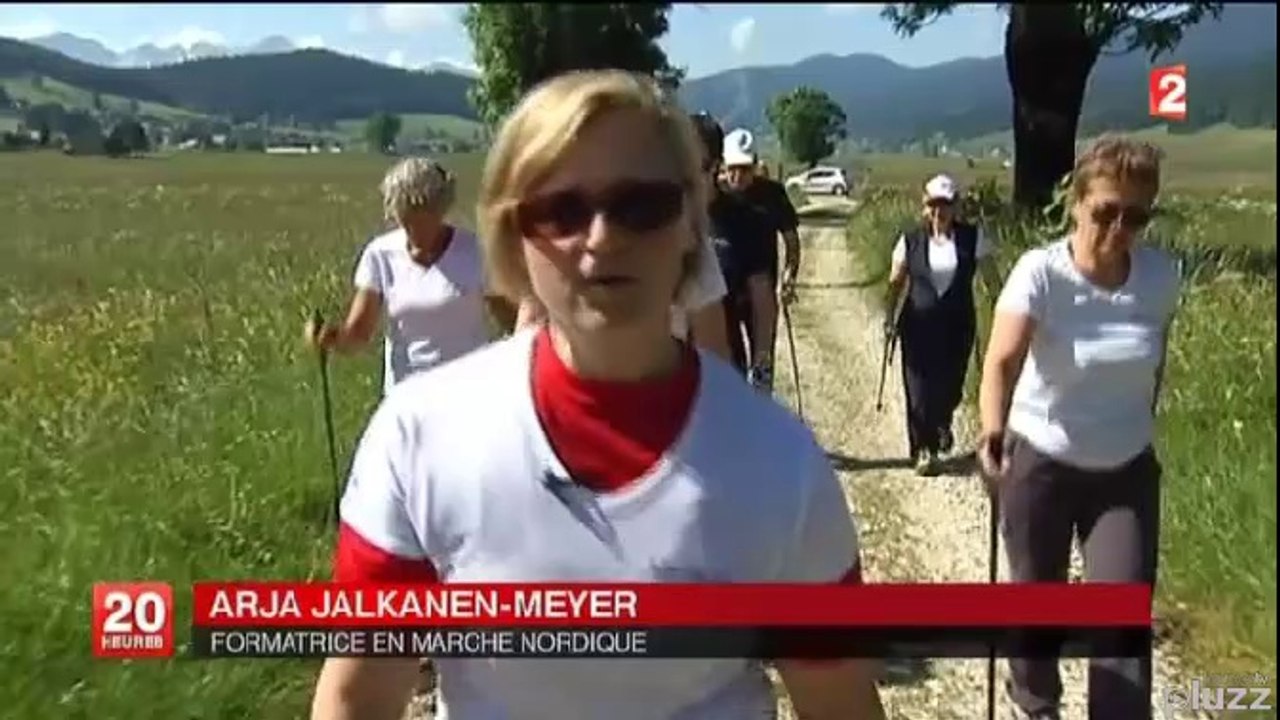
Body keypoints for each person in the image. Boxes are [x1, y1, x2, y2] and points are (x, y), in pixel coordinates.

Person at [310, 68, 885, 720]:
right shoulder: (416, 438)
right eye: (561, 210)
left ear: (691, 227)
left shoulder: (785, 466)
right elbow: (357, 696)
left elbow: (839, 701)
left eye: (642, 206)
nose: (604, 237)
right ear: (510, 238)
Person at [978, 136, 1180, 720]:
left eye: (1137, 216)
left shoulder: (1161, 277)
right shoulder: (1040, 273)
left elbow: (1153, 365)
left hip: (1124, 471)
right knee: (1037, 605)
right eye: (1106, 211)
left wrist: (1138, 425)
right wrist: (994, 431)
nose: (1120, 228)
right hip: (1041, 458)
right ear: (1076, 203)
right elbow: (1001, 362)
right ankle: (1035, 704)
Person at [513, 113, 732, 364]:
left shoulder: (684, 241)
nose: (600, 239)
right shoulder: (547, 239)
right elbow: (527, 329)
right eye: (569, 210)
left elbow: (713, 350)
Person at [306, 157, 514, 394]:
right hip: (405, 397)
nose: (415, 230)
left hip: (467, 393)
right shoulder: (380, 255)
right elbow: (358, 334)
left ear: (440, 209)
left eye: (423, 218)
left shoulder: (475, 253)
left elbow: (511, 321)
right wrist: (330, 337)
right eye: (406, 220)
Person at [884, 174, 998, 476]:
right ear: (925, 207)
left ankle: (942, 420)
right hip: (918, 324)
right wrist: (889, 317)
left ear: (956, 207)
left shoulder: (974, 238)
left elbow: (992, 280)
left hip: (958, 325)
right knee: (918, 388)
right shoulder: (909, 240)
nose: (939, 211)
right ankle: (924, 448)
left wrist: (1001, 314)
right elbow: (895, 283)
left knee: (951, 387)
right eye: (933, 204)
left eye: (945, 205)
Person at [720, 128, 803, 390]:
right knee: (730, 367)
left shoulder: (772, 195)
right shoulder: (714, 197)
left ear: (755, 165)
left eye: (745, 168)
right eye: (733, 168)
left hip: (762, 295)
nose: (738, 175)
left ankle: (759, 415)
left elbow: (791, 239)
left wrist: (790, 275)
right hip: (724, 295)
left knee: (762, 365)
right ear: (723, 165)